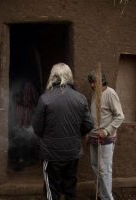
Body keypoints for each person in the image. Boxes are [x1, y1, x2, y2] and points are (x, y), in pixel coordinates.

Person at [32, 63, 94, 200]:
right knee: (70, 189)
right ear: (69, 77)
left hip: (51, 154)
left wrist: (48, 136)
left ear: (52, 77)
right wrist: (75, 135)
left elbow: (37, 128)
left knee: (52, 191)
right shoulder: (80, 98)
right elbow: (89, 124)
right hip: (73, 152)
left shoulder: (45, 99)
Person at [87, 71, 124, 200]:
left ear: (102, 81)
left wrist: (107, 131)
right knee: (95, 167)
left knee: (104, 171)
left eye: (94, 82)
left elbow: (120, 116)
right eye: (90, 82)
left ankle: (107, 198)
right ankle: (100, 194)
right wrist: (89, 133)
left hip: (105, 139)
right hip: (93, 138)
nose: (92, 85)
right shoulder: (95, 94)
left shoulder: (110, 94)